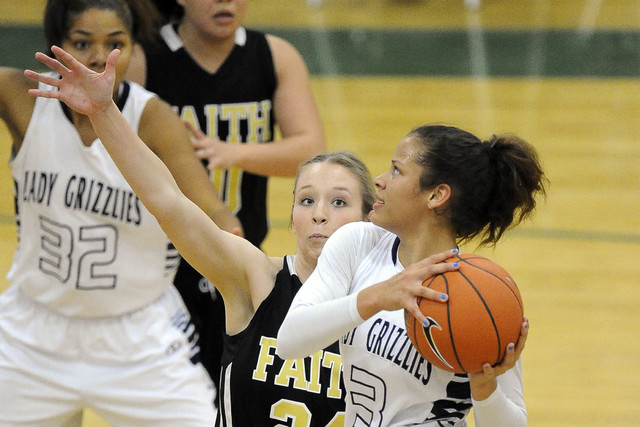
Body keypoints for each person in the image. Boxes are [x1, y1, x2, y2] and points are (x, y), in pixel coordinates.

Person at [23, 45, 453, 426]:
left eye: (338, 202)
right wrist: (104, 113)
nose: (319, 214)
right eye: (306, 201)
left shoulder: (390, 302)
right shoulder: (254, 278)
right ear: (292, 218)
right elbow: (165, 198)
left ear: (367, 217)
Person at [0, 0, 243, 424]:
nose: (98, 57)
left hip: (139, 338)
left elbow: (215, 215)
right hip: (31, 338)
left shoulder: (151, 118)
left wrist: (252, 271)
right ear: (55, 47)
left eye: (116, 44)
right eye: (81, 42)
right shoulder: (24, 99)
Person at [277, 125, 548, 426]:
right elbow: (289, 341)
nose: (378, 181)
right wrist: (377, 297)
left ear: (436, 195)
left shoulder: (482, 295)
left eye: (396, 171)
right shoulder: (358, 243)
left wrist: (485, 388)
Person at [124, 0, 326, 386]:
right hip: (160, 265)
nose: (226, 1)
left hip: (241, 255)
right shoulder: (144, 58)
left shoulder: (274, 56)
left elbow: (310, 150)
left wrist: (232, 153)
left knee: (232, 389)